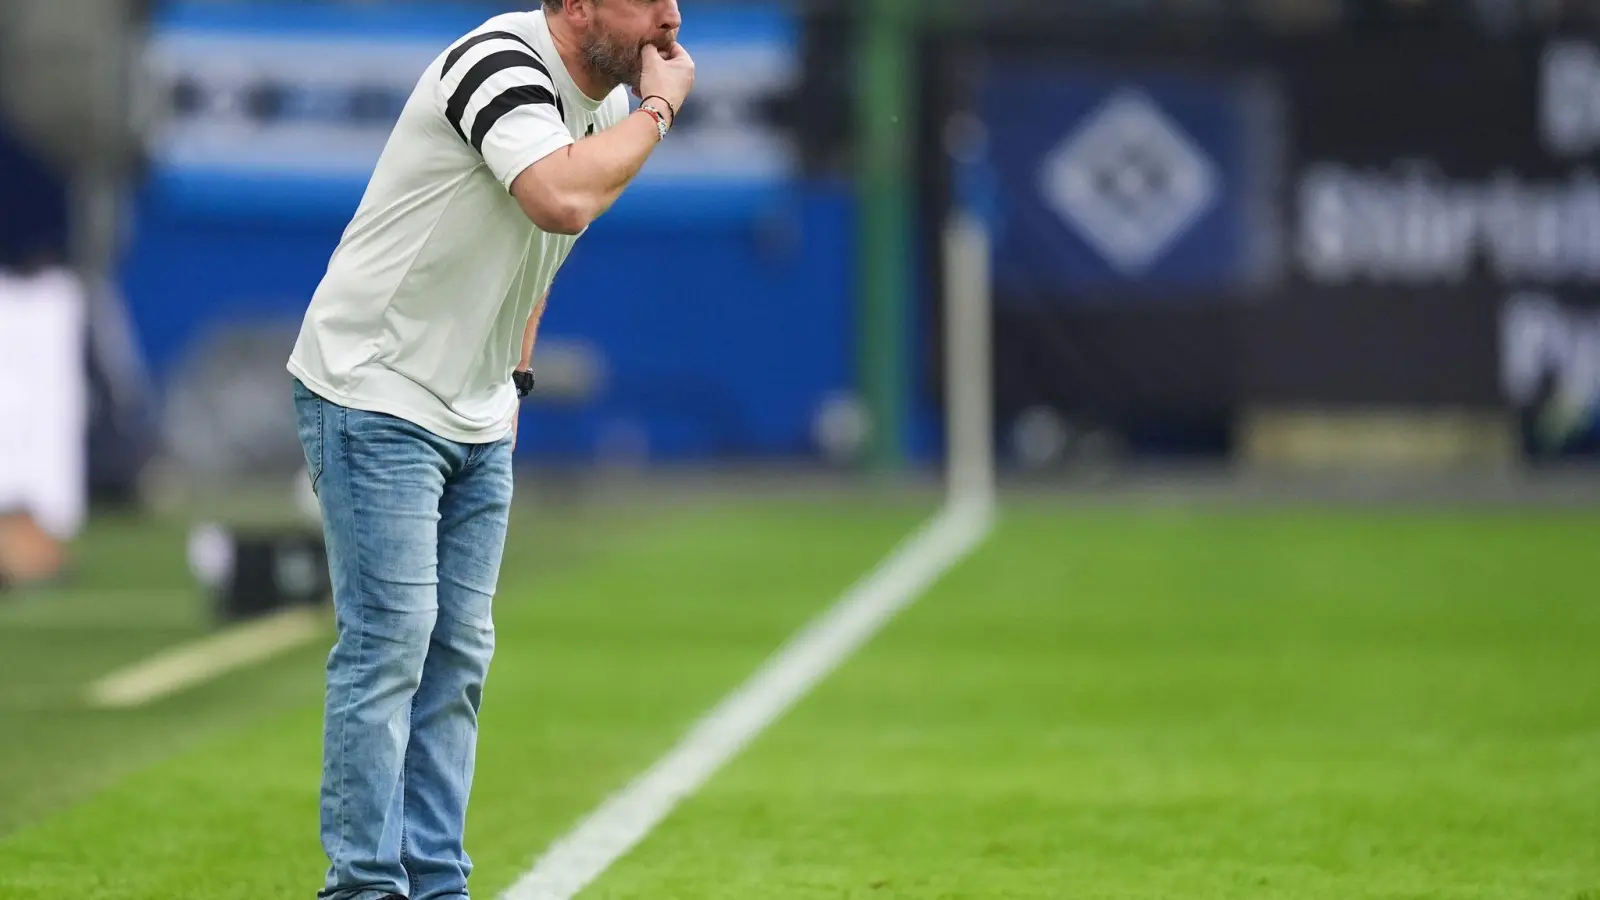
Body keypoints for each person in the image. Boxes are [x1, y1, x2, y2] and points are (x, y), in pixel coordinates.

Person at [285, 1, 693, 897]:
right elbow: (558, 196)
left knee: (458, 654)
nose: (671, 17)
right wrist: (662, 112)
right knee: (390, 646)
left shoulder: (607, 104)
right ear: (576, 7)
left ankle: (436, 882)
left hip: (475, 407)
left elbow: (543, 246)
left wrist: (511, 380)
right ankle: (361, 885)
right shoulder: (498, 64)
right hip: (374, 386)